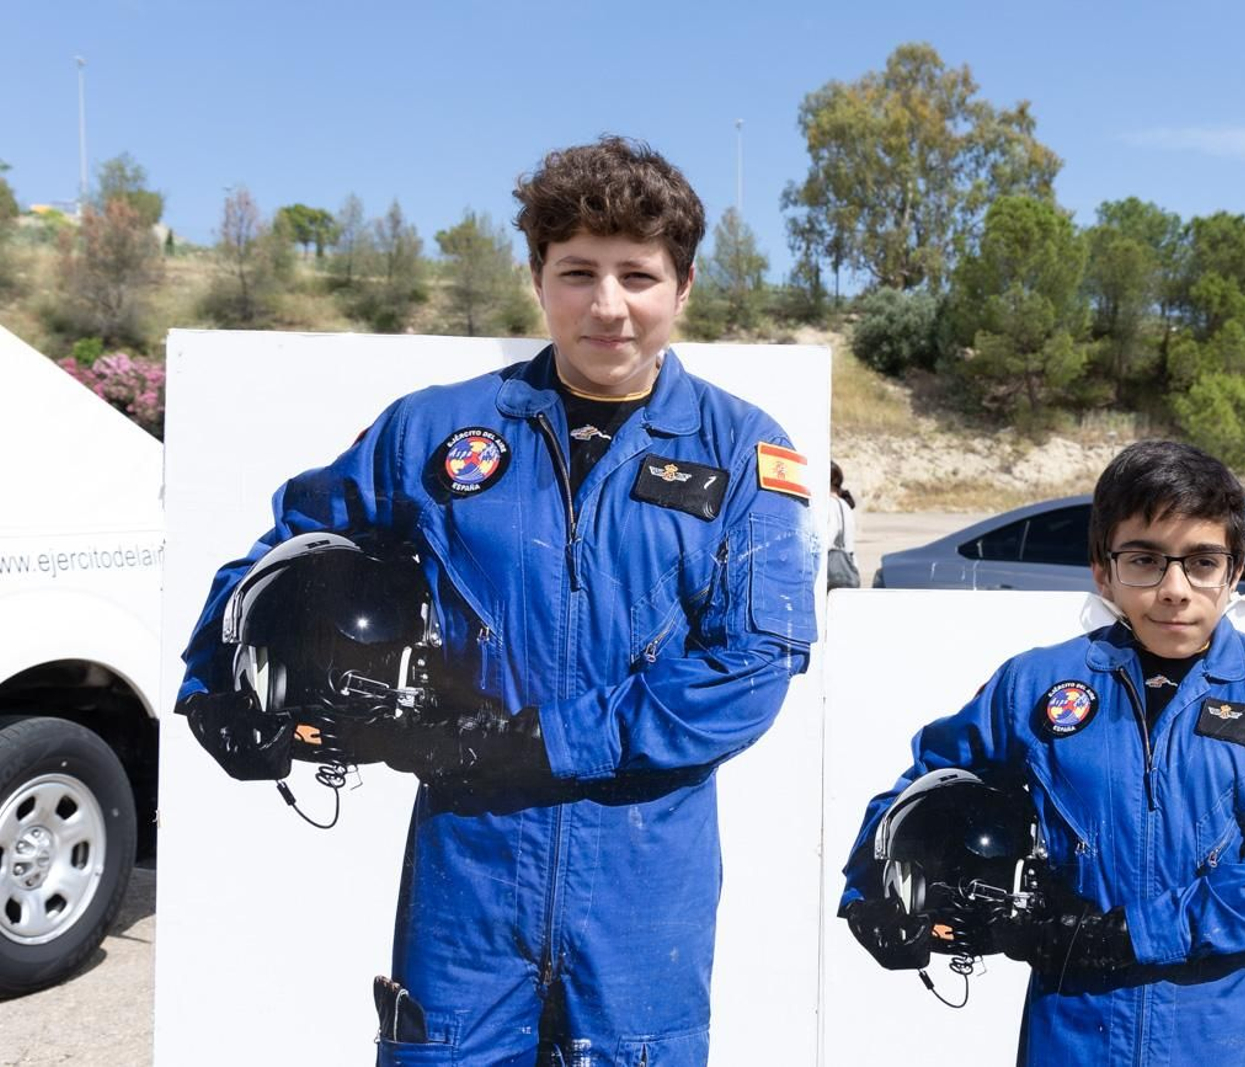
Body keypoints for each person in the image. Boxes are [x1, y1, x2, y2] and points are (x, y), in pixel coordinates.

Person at [175, 137, 817, 1065]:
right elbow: (290, 544)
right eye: (577, 272)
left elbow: (750, 670)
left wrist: (540, 741)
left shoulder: (747, 453)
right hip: (466, 878)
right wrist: (218, 685)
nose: (608, 305)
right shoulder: (434, 431)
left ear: (683, 287)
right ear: (538, 278)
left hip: (642, 887)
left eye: (638, 274)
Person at [838, 441, 1245, 1066]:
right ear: (1103, 570)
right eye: (1145, 560)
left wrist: (1129, 937)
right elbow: (928, 780)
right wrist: (871, 893)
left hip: (1212, 1035)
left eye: (1202, 562)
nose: (1174, 590)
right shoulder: (1036, 686)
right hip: (1071, 1030)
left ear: (1235, 571)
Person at [826, 460, 860, 590]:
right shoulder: (844, 504)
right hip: (849, 565)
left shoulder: (830, 503)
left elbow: (831, 533)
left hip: (834, 570)